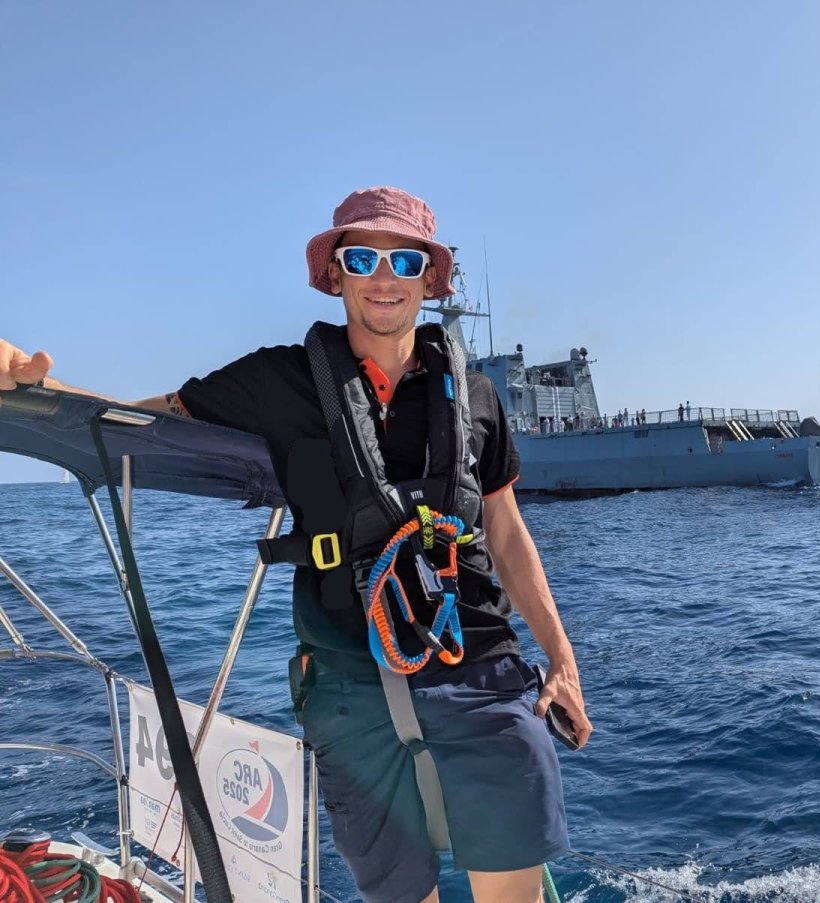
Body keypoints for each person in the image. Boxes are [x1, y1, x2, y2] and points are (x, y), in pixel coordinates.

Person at [0, 186, 592, 903]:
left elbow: (504, 528)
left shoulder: (477, 397)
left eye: (405, 260)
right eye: (362, 257)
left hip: (478, 670)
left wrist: (562, 659)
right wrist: (35, 386)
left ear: (430, 279)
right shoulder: (276, 381)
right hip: (347, 685)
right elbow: (136, 420)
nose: (384, 277)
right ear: (335, 273)